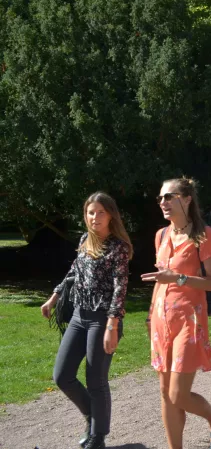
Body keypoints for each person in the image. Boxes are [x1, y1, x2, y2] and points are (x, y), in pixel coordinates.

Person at [141, 178, 211, 449]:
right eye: (160, 198)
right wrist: (149, 316)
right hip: (160, 321)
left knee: (178, 394)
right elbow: (160, 280)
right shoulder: (162, 236)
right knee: (165, 394)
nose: (163, 202)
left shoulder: (204, 235)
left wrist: (178, 278)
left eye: (169, 196)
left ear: (187, 199)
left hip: (188, 322)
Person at [40, 192, 131, 449]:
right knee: (62, 375)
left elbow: (119, 289)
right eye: (91, 212)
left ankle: (98, 436)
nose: (94, 217)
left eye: (100, 212)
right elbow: (73, 273)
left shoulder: (118, 248)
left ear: (111, 215)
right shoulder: (85, 240)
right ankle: (93, 417)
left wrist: (112, 326)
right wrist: (53, 298)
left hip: (103, 320)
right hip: (79, 316)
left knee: (96, 380)